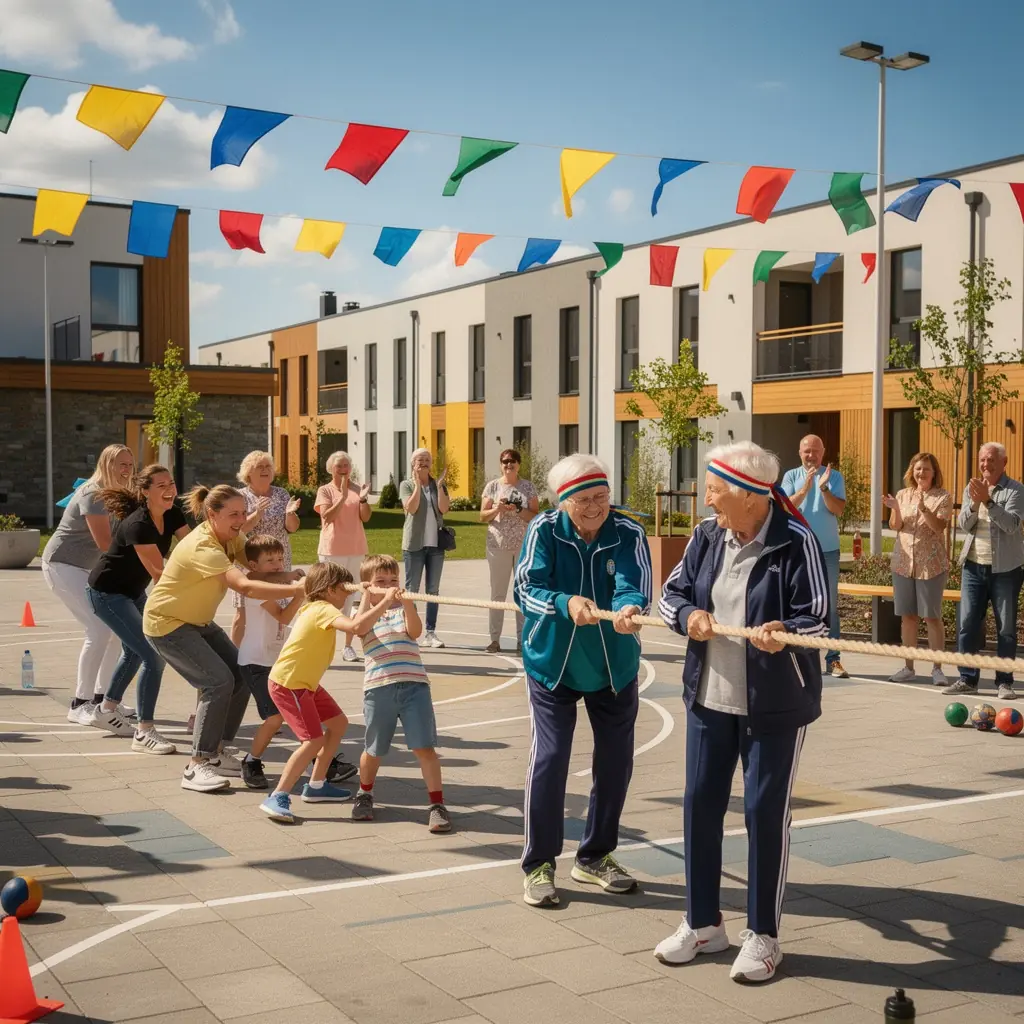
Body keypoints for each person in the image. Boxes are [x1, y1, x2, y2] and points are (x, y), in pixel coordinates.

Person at [655, 440, 829, 984]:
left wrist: (786, 632)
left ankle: (763, 935)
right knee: (699, 806)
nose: (707, 499)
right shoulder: (708, 536)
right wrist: (689, 616)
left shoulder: (795, 540)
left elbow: (819, 619)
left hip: (774, 705)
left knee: (762, 812)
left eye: (714, 490)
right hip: (709, 698)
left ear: (750, 495)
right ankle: (703, 923)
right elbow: (670, 595)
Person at [513, 454, 651, 908]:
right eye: (584, 500)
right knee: (550, 758)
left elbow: (635, 584)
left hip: (614, 668)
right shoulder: (544, 530)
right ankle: (538, 863)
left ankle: (595, 855)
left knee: (615, 762)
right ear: (563, 502)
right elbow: (525, 588)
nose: (595, 507)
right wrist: (565, 602)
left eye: (602, 497)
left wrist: (629, 607)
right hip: (552, 664)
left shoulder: (628, 532)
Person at [143, 484, 307, 793]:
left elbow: (257, 570)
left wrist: (289, 576)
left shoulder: (232, 537)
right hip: (167, 623)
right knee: (218, 682)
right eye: (234, 514)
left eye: (243, 513)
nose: (241, 520)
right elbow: (245, 586)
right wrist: (295, 589)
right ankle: (197, 764)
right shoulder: (203, 546)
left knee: (240, 675)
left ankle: (216, 752)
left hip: (198, 621)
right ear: (211, 514)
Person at [260, 562, 396, 824]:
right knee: (313, 741)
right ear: (330, 589)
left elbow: (357, 624)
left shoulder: (316, 606)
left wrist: (366, 596)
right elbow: (357, 628)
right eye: (345, 589)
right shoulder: (323, 609)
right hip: (290, 684)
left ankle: (316, 785)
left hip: (306, 684)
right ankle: (278, 795)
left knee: (338, 723)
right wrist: (385, 600)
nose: (347, 595)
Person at [85, 465, 190, 753]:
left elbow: (194, 547)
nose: (170, 489)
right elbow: (159, 573)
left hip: (132, 592)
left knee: (134, 652)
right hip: (107, 593)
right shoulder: (138, 525)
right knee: (153, 656)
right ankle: (144, 732)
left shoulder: (173, 514)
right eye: (161, 485)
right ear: (145, 492)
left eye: (171, 483)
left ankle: (106, 710)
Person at [351, 555, 450, 833]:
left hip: (414, 686)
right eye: (380, 581)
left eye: (393, 580)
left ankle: (437, 804)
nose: (389, 585)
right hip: (378, 687)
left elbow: (415, 632)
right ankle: (364, 793)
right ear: (368, 586)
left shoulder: (404, 608)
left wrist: (406, 602)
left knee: (425, 747)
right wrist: (376, 599)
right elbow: (359, 629)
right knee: (374, 749)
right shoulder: (363, 610)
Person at [41, 443, 136, 727]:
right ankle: (79, 704)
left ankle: (104, 700)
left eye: (130, 464)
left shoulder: (119, 494)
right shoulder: (93, 493)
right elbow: (106, 544)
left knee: (115, 631)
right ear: (106, 464)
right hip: (61, 564)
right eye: (121, 464)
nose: (127, 469)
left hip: (87, 568)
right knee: (99, 629)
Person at [946, 442, 1024, 701]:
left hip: (1006, 570)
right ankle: (967, 678)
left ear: (1004, 462)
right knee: (968, 623)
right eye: (982, 459)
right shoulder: (972, 488)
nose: (985, 464)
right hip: (973, 566)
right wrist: (973, 504)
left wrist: (988, 502)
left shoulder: (1016, 490)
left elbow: (1012, 525)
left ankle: (1005, 682)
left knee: (1006, 628)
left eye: (991, 459)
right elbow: (964, 525)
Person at [236, 535, 305, 789]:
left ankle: (320, 759)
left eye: (280, 558)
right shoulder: (256, 588)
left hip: (274, 662)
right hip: (255, 663)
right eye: (270, 560)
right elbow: (284, 617)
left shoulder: (275, 585)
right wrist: (299, 594)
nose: (277, 564)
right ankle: (251, 761)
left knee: (300, 710)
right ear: (254, 566)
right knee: (275, 718)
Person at [781, 434, 848, 678]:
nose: (811, 455)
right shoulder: (791, 476)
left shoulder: (834, 476)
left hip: (826, 551)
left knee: (830, 606)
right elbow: (785, 507)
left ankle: (833, 659)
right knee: (795, 603)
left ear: (823, 452)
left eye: (815, 451)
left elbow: (837, 509)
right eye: (807, 451)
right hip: (797, 551)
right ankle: (798, 657)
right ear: (800, 453)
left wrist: (823, 488)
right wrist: (805, 487)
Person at [884, 453, 953, 685]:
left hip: (931, 565)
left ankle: (937, 669)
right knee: (908, 617)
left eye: (926, 469)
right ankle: (908, 667)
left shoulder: (942, 496)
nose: (921, 473)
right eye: (918, 468)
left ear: (934, 473)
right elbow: (896, 526)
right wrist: (895, 508)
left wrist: (924, 508)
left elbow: (938, 527)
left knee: (931, 617)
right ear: (911, 471)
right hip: (903, 564)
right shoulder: (903, 494)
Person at [229, 450, 301, 647]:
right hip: (250, 561)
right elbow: (239, 529)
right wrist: (257, 513)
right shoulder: (240, 497)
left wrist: (290, 514)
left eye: (268, 466)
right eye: (259, 466)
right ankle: (235, 656)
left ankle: (273, 651)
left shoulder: (281, 494)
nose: (265, 470)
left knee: (279, 608)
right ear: (248, 472)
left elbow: (292, 528)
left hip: (278, 559)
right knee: (243, 612)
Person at [315, 450, 372, 663]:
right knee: (329, 597)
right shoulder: (325, 490)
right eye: (338, 466)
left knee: (351, 597)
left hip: (355, 548)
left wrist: (363, 499)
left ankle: (347, 647)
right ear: (331, 469)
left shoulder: (357, 489)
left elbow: (365, 517)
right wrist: (342, 496)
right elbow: (327, 516)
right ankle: (323, 645)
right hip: (332, 549)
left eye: (346, 465)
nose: (343, 469)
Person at [480, 448, 540, 653]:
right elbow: (482, 516)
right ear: (500, 464)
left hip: (523, 546)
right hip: (498, 546)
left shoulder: (528, 487)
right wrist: (497, 508)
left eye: (512, 461)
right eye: (505, 461)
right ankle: (494, 639)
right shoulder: (493, 486)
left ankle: (522, 639)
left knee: (522, 592)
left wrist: (518, 509)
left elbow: (535, 516)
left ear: (519, 464)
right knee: (497, 594)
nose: (509, 464)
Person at [399, 448, 449, 649]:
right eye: (420, 460)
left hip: (436, 544)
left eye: (427, 459)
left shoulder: (438, 484)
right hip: (414, 545)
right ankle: (409, 631)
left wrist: (441, 486)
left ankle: (430, 632)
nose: (424, 463)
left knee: (433, 590)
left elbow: (444, 509)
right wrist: (418, 485)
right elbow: (411, 508)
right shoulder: (406, 485)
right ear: (413, 464)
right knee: (412, 590)